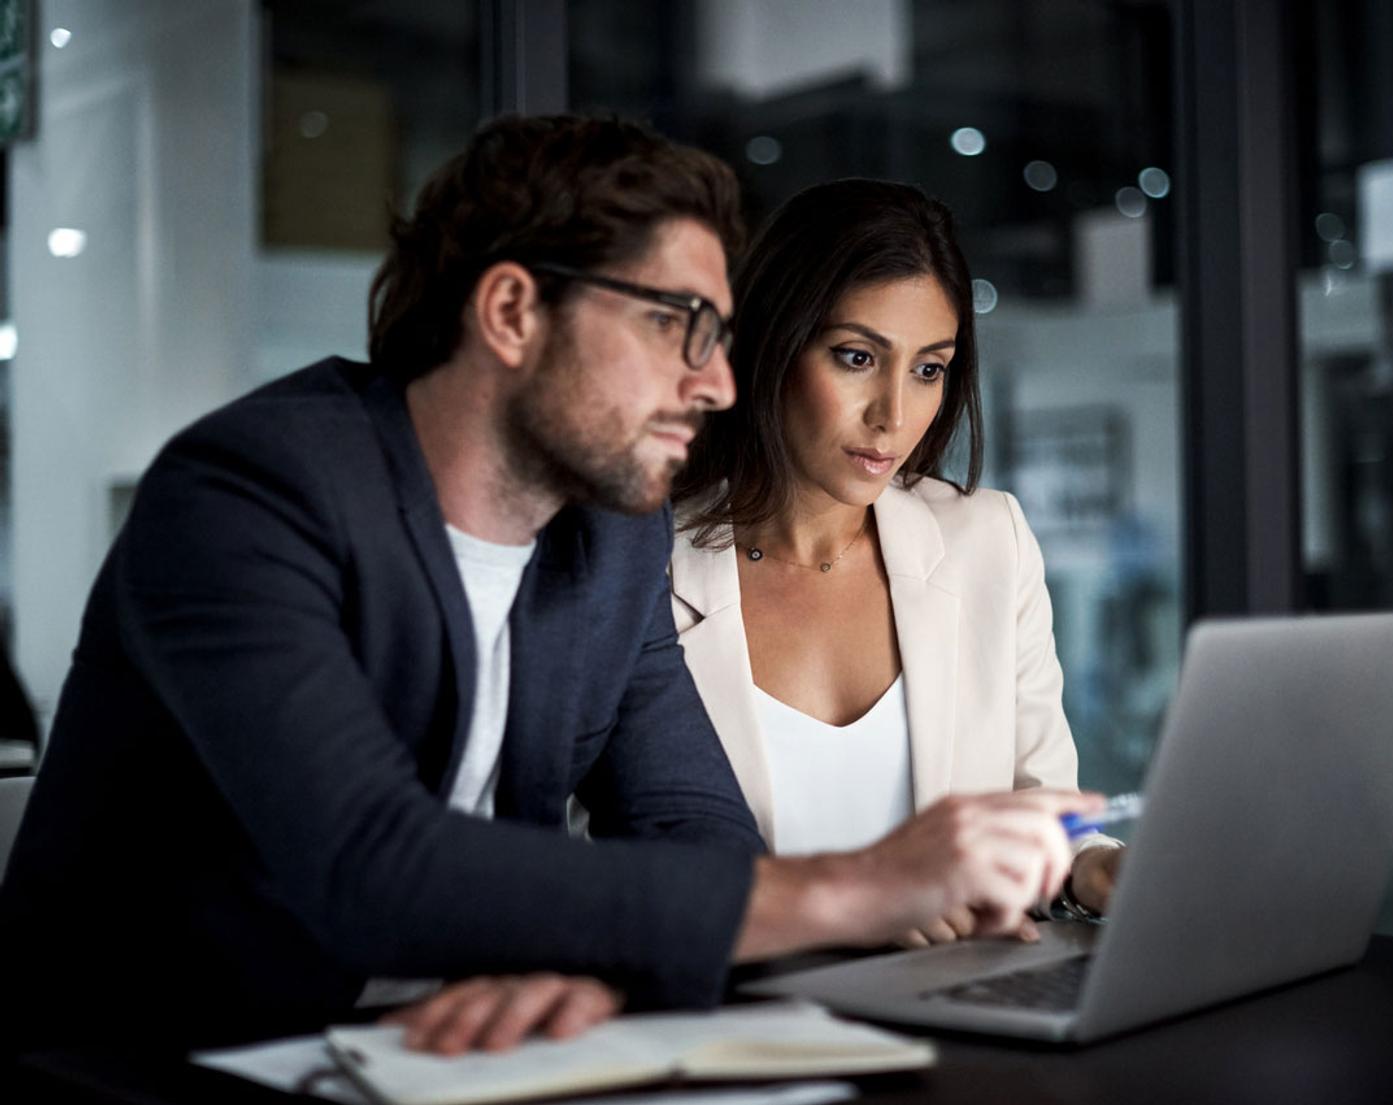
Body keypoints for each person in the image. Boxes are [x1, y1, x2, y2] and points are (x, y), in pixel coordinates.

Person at [0, 117, 1103, 1058]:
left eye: (721, 339)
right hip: (171, 1065)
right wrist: (863, 885)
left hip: (473, 1053)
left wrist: (614, 970)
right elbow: (367, 861)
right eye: (678, 327)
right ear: (513, 312)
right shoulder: (246, 494)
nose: (716, 381)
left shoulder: (611, 540)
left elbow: (689, 821)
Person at [671, 179, 1123, 947]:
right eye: (856, 357)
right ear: (773, 342)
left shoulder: (988, 540)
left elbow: (1046, 806)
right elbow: (602, 859)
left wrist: (1096, 868)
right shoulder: (644, 565)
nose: (894, 414)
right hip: (739, 1020)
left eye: (928, 368)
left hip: (957, 1013)